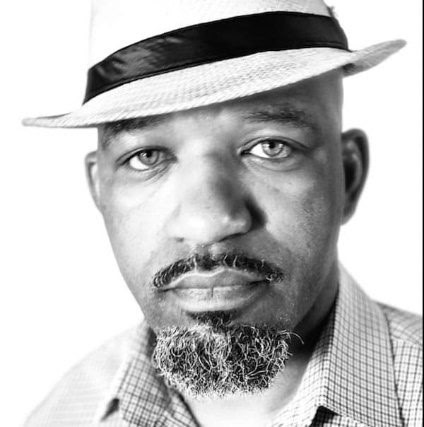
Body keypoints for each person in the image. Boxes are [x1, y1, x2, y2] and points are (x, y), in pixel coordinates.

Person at [23, 0, 422, 426]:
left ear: (348, 177)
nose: (208, 223)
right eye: (146, 156)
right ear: (99, 190)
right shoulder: (62, 415)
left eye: (271, 147)